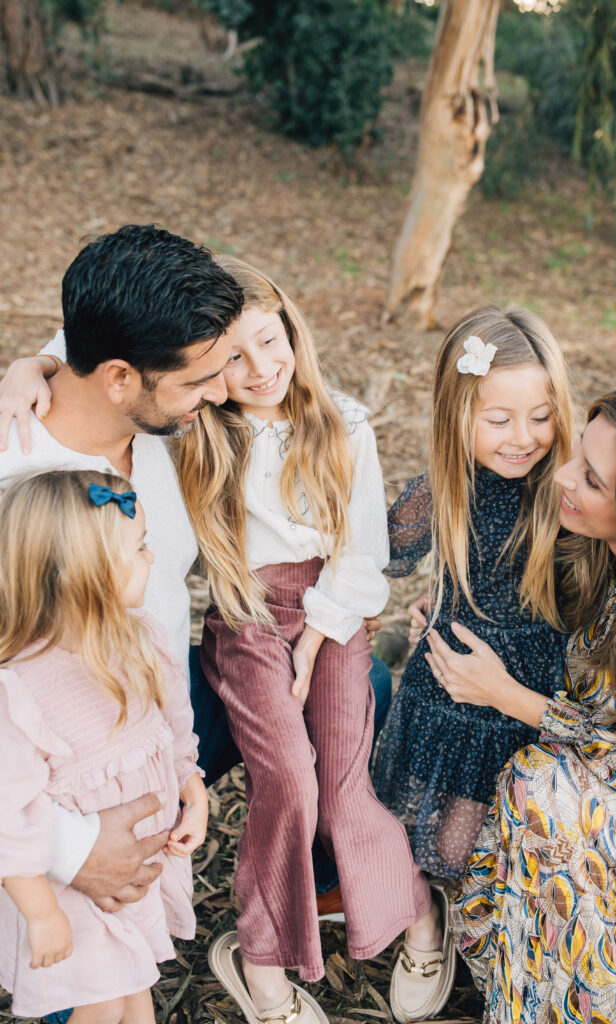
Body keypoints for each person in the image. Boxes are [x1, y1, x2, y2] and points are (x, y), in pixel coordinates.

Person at [0, 226, 391, 931]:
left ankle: (327, 880)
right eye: (199, 379)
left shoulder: (167, 430)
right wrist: (69, 849)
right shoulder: (15, 486)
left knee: (360, 683)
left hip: (165, 715)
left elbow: (90, 330)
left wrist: (37, 359)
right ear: (120, 378)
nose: (220, 392)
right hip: (57, 765)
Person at [173, 256, 453, 1024]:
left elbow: (362, 550)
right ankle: (261, 964)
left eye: (269, 341)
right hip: (247, 615)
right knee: (288, 781)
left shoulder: (343, 423)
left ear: (291, 327)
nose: (260, 369)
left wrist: (319, 635)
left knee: (342, 787)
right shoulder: (195, 433)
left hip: (336, 609)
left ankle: (419, 917)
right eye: (232, 357)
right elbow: (105, 346)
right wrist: (36, 366)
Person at [427, 382, 616, 1023]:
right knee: (529, 781)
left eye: (591, 480)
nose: (563, 475)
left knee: (541, 793)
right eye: (578, 454)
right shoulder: (605, 553)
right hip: (604, 761)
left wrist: (506, 696)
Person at [373, 307, 573, 885]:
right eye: (500, 420)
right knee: (433, 840)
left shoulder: (566, 496)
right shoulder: (443, 489)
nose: (523, 438)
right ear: (458, 415)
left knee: (483, 840)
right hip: (450, 687)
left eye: (541, 417)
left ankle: (474, 916)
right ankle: (425, 918)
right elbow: (385, 556)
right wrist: (432, 602)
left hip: (526, 692)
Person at [0, 470, 208, 1023]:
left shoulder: (141, 637)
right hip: (68, 892)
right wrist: (41, 913)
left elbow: (173, 722)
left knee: (136, 986)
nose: (152, 559)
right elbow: (9, 815)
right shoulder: (21, 689)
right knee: (101, 1003)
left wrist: (192, 784)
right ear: (87, 575)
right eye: (139, 548)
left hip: (135, 859)